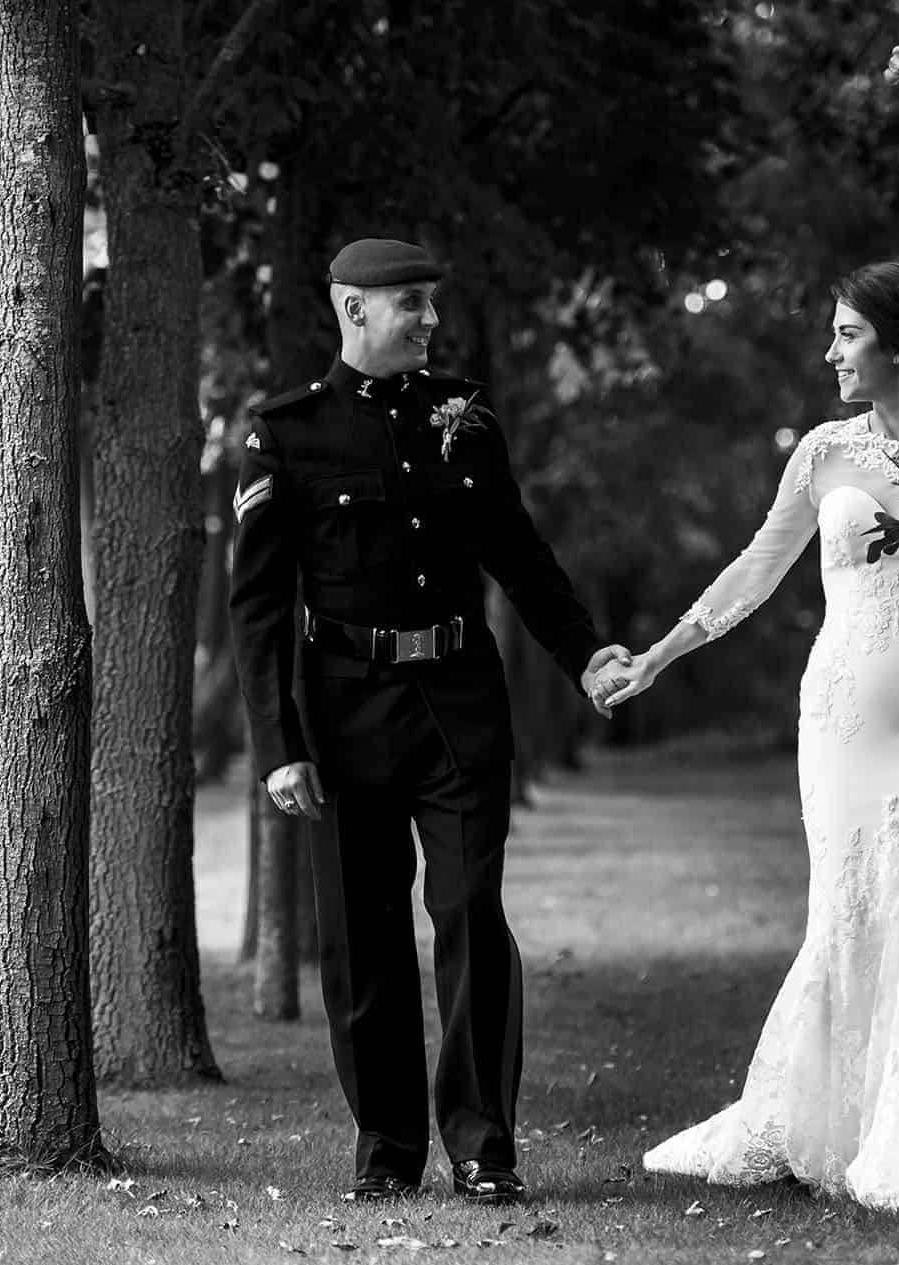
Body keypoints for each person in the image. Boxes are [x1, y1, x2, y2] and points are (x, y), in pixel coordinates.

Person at [597, 260, 899, 1212]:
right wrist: (657, 656)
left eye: (846, 335)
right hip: (843, 721)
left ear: (897, 345)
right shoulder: (823, 452)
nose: (831, 353)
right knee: (853, 911)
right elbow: (756, 567)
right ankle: (841, 1117)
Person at [228, 237, 629, 1206]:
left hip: (457, 700)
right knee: (362, 935)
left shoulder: (464, 421)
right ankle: (387, 1144)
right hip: (343, 715)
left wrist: (584, 655)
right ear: (352, 310)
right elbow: (256, 607)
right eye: (410, 304)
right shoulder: (283, 433)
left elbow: (517, 552)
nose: (429, 320)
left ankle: (484, 1142)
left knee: (468, 914)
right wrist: (278, 747)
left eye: (431, 305)